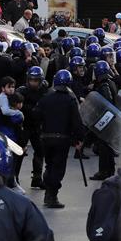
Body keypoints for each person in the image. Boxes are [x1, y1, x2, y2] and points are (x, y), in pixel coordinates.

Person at [35, 69, 83, 208]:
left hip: (46, 138)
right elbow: (76, 122)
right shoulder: (71, 99)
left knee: (50, 164)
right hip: (62, 139)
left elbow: (36, 115)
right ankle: (52, 195)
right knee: (58, 167)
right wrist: (79, 138)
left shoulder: (46, 97)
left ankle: (48, 187)